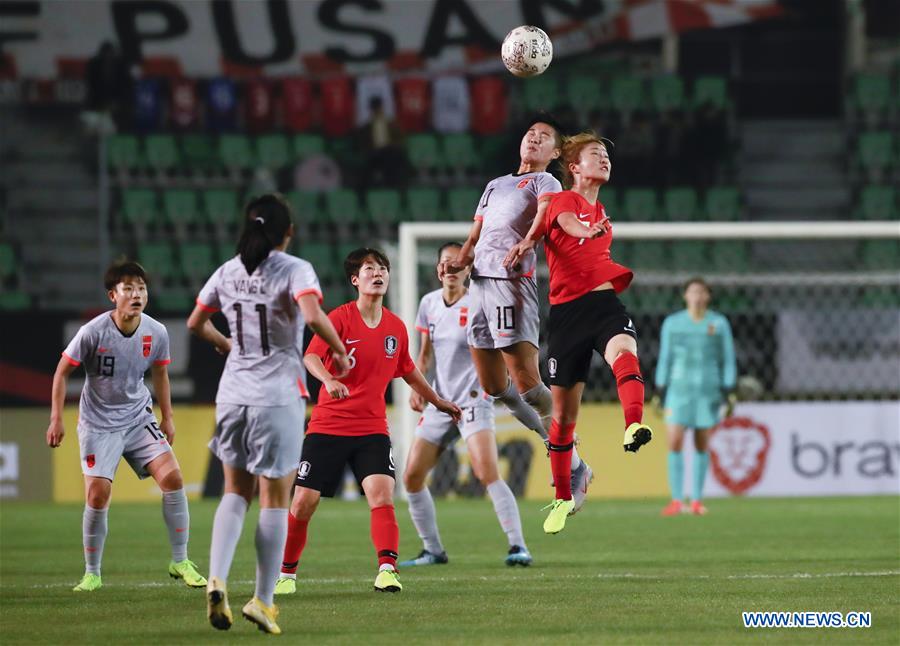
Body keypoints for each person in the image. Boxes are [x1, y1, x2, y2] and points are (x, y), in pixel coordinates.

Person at [187, 194, 350, 634]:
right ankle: (262, 599)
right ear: (288, 232)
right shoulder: (295, 269)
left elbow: (194, 322)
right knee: (275, 499)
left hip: (232, 393)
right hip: (277, 395)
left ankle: (217, 576)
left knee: (234, 493)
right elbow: (313, 315)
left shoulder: (228, 270)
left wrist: (227, 346)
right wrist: (338, 349)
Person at [275, 248, 461, 595]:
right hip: (328, 425)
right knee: (303, 502)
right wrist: (328, 380)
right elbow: (312, 356)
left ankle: (387, 569)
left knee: (382, 494)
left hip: (372, 428)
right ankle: (286, 574)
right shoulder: (340, 318)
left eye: (383, 268)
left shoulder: (395, 327)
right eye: (370, 269)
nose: (378, 274)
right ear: (355, 280)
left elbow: (407, 369)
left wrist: (437, 400)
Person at [443, 115, 593, 513]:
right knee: (494, 386)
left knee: (528, 384)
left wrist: (528, 241)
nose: (533, 138)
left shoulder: (547, 182)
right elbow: (476, 234)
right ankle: (559, 447)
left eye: (544, 137)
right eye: (530, 133)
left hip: (511, 283)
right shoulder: (495, 184)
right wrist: (459, 261)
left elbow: (545, 214)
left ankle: (573, 461)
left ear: (555, 152)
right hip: (478, 282)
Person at [508, 133, 653, 535]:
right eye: (596, 154)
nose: (605, 159)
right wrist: (582, 232)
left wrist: (590, 231)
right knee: (563, 418)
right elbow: (567, 224)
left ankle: (633, 424)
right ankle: (562, 495)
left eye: (607, 155)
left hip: (605, 307)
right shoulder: (563, 202)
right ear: (575, 167)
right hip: (568, 315)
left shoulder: (602, 211)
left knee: (625, 352)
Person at [46, 260, 206, 593]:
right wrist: (56, 418)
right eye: (128, 288)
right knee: (98, 494)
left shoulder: (156, 332)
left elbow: (160, 373)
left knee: (173, 478)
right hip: (98, 424)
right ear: (112, 295)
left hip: (137, 418)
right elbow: (62, 372)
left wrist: (169, 416)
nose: (136, 294)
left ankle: (180, 560)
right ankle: (92, 573)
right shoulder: (93, 332)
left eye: (141, 288)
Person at [401, 242, 532, 568]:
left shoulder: (481, 303)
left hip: (474, 400)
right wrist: (420, 388)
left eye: (458, 263)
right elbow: (425, 353)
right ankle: (433, 550)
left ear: (468, 268)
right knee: (412, 477)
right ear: (438, 269)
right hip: (440, 402)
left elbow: (502, 348)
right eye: (446, 263)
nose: (451, 268)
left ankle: (518, 546)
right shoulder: (428, 303)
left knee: (486, 472)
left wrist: (494, 386)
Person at [655, 278, 736, 516]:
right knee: (675, 442)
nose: (697, 296)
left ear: (708, 296)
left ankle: (697, 500)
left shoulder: (718, 323)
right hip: (678, 391)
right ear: (685, 296)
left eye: (701, 292)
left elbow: (727, 358)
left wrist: (729, 388)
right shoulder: (673, 323)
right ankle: (677, 500)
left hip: (707, 390)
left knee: (702, 443)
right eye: (693, 292)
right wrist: (660, 388)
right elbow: (666, 356)